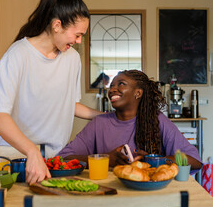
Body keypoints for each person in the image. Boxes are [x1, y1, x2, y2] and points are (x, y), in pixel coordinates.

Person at [0, 0, 102, 184]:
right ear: (57, 25)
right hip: (12, 158)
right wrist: (31, 151)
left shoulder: (72, 58)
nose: (79, 41)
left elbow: (68, 104)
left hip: (51, 160)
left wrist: (106, 117)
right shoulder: (18, 54)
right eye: (78, 35)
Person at [58, 70, 203, 172]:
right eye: (112, 85)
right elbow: (63, 159)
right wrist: (106, 159)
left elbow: (194, 161)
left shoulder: (157, 120)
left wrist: (154, 161)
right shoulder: (99, 123)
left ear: (138, 93)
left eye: (121, 84)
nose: (113, 89)